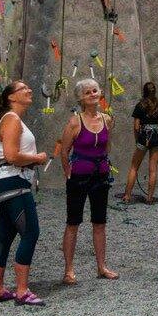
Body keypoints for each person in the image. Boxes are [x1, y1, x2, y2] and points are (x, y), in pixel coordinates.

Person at [0, 80, 49, 306]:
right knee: (31, 232)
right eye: (23, 89)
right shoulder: (12, 120)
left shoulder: (12, 120)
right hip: (15, 181)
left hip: (10, 181)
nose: (29, 90)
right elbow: (12, 156)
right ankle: (22, 291)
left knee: (5, 235)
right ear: (11, 97)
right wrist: (38, 158)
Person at [53, 77, 117, 285]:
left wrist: (104, 165)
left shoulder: (107, 119)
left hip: (101, 175)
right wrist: (68, 172)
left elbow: (107, 146)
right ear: (81, 97)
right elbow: (64, 150)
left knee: (100, 222)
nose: (93, 94)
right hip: (79, 177)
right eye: (88, 92)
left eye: (95, 90)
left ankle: (101, 266)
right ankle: (68, 270)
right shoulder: (74, 122)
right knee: (73, 222)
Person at [119, 81, 158, 204]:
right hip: (157, 137)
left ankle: (127, 196)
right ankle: (149, 198)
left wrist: (137, 140)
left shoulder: (140, 105)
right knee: (153, 169)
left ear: (144, 91)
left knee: (134, 166)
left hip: (144, 137)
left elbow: (136, 126)